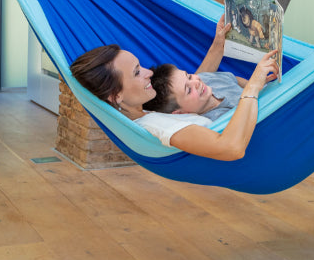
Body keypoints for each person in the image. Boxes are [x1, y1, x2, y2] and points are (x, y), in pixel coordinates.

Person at [68, 15, 278, 161]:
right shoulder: (157, 125)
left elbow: (188, 87)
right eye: (137, 72)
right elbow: (231, 148)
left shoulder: (146, 108)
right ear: (116, 95)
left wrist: (217, 46)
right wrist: (252, 86)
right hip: (262, 135)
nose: (148, 72)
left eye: (140, 66)